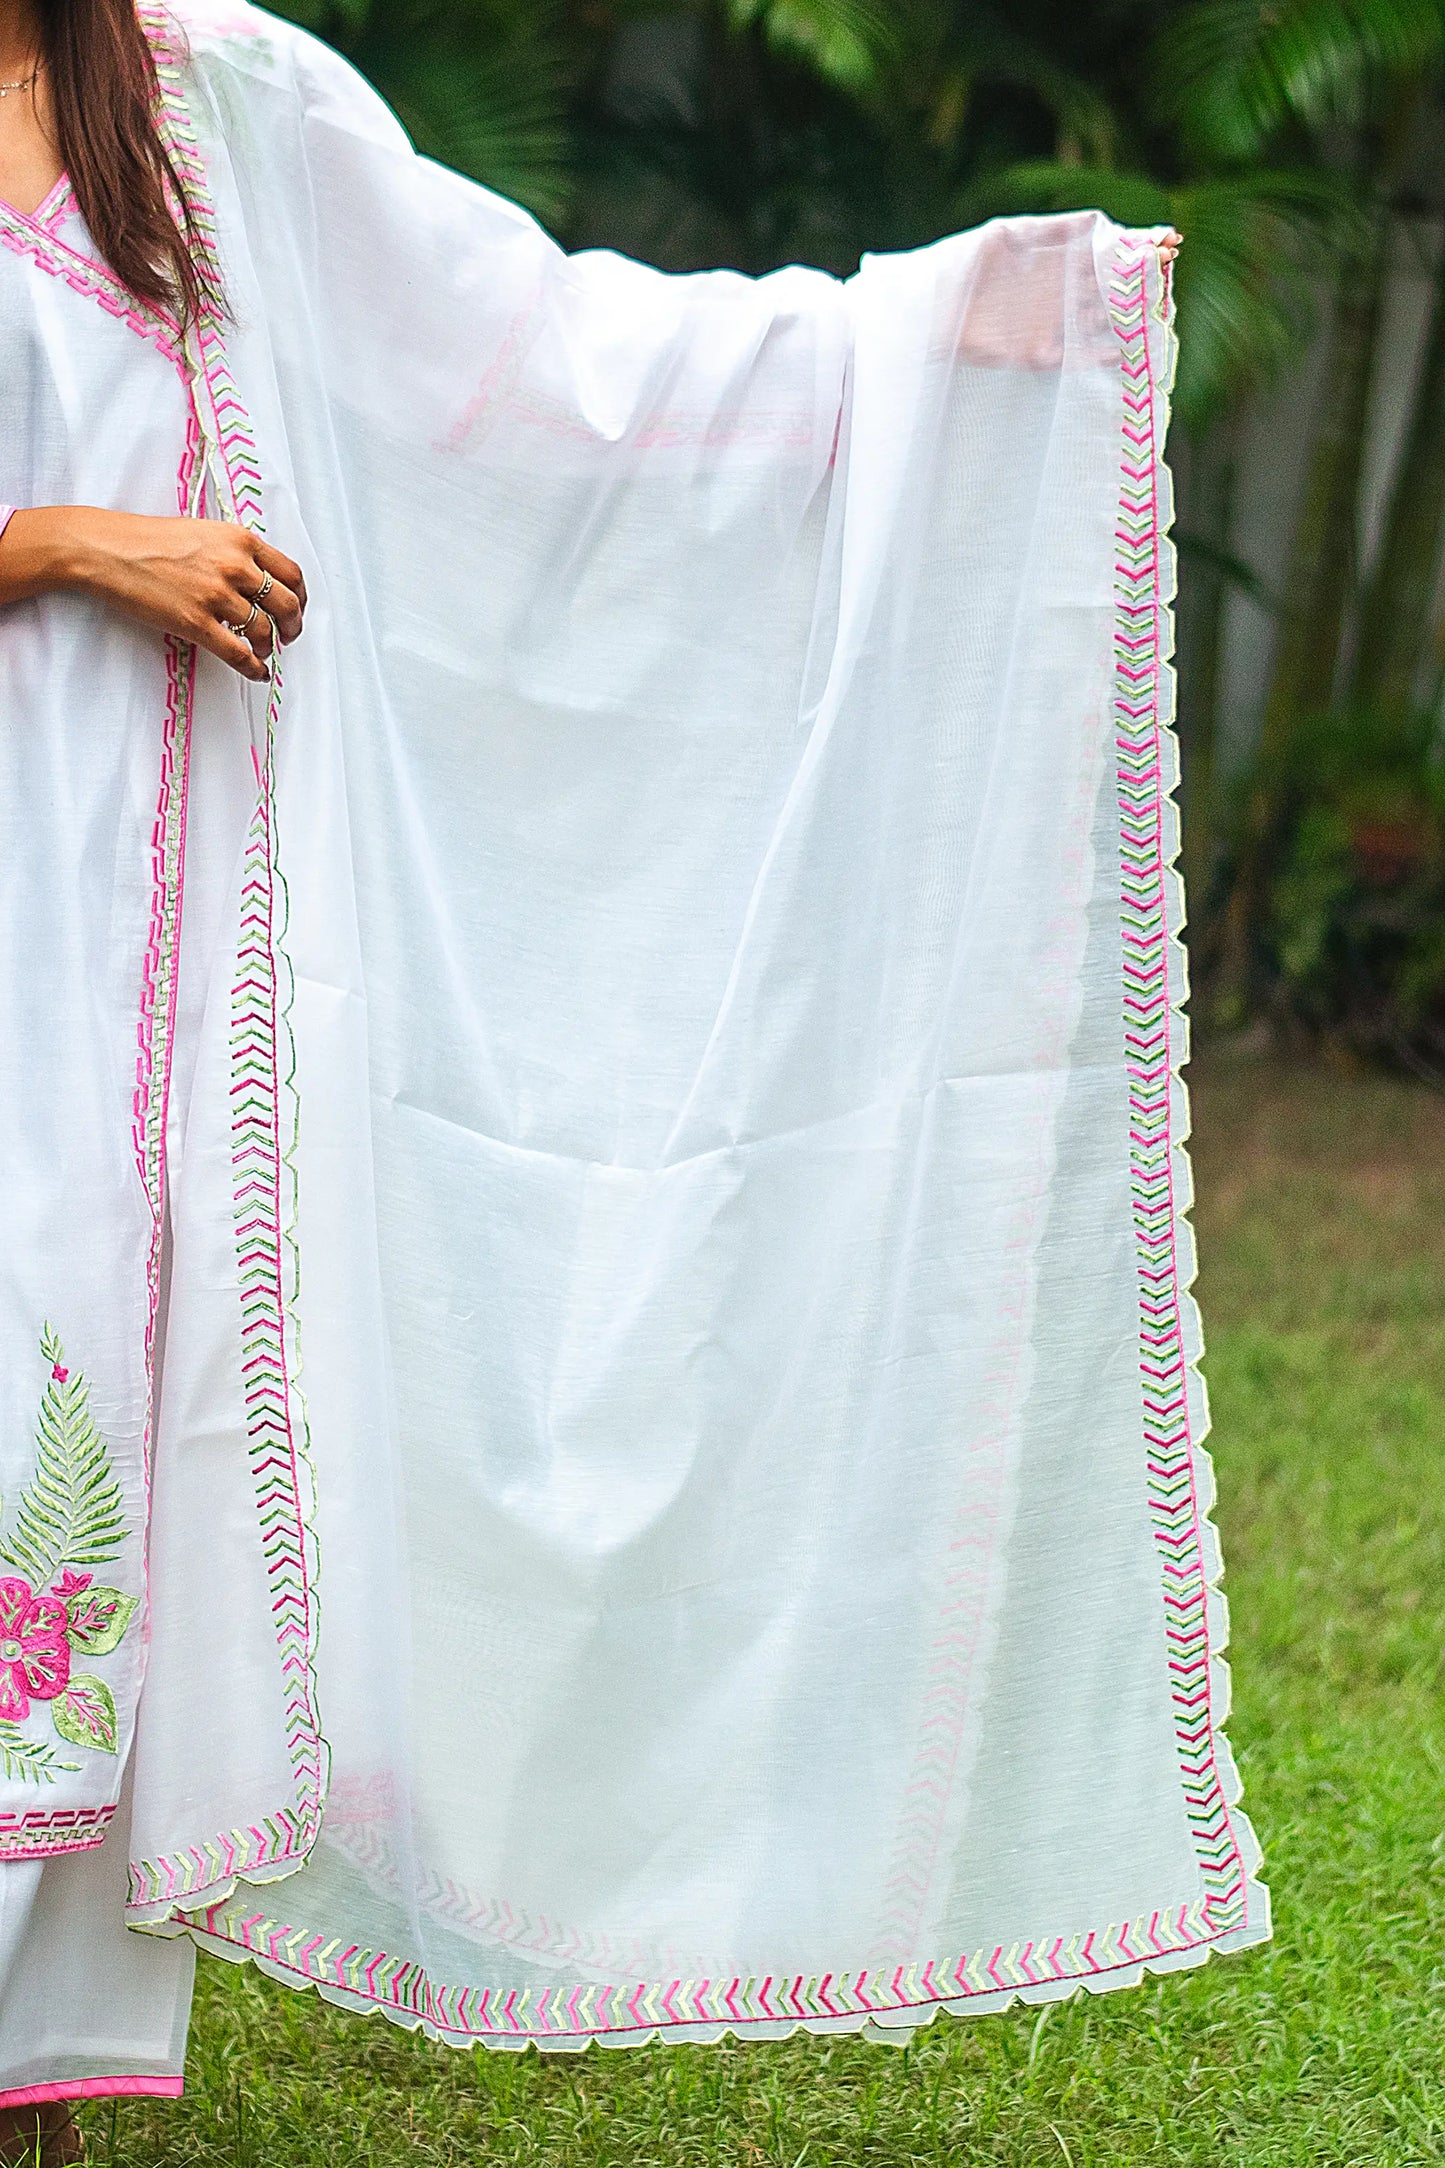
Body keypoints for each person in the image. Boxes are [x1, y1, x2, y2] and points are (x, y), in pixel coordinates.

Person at [1, 2, 1236, 2163]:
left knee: (68, 1462)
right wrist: (82, 544)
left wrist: (940, 346)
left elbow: (545, 364)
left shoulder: (203, 96)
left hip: (139, 935)